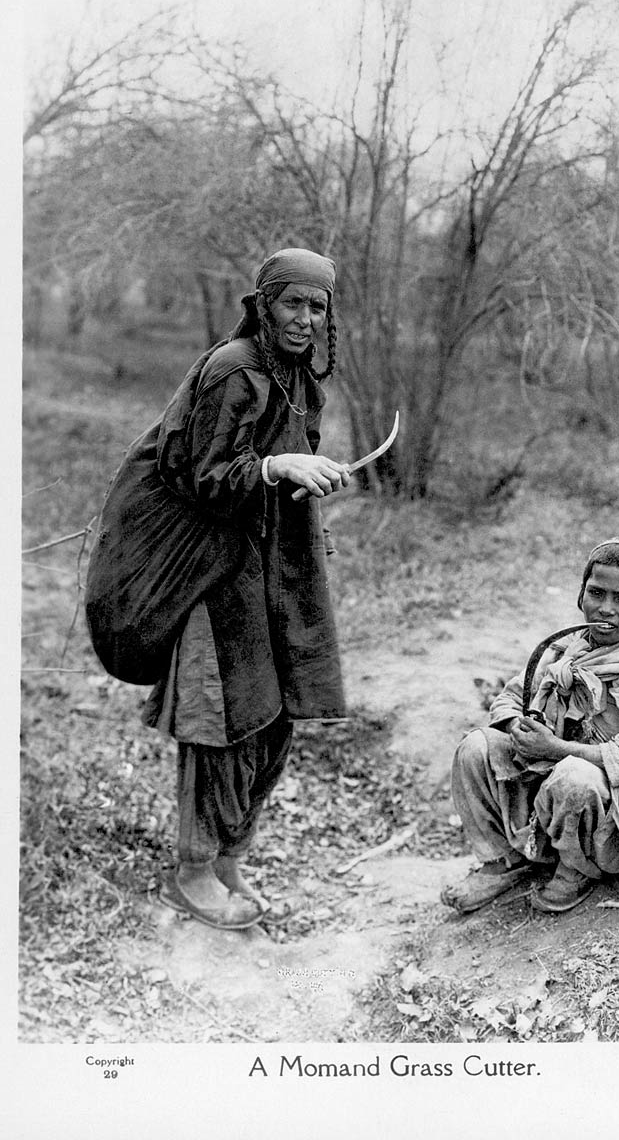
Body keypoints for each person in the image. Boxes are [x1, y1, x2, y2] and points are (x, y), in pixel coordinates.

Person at [138, 247, 352, 930]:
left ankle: (229, 855)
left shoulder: (295, 373)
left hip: (278, 568)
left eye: (317, 307)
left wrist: (303, 471)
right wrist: (272, 465)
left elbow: (277, 461)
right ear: (263, 304)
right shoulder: (233, 370)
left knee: (277, 716)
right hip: (218, 573)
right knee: (223, 720)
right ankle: (192, 870)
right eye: (292, 303)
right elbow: (199, 476)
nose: (305, 319)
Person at [441, 536, 619, 914]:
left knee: (575, 776)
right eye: (596, 593)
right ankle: (503, 863)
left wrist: (555, 749)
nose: (605, 609)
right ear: (581, 595)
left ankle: (576, 868)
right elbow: (510, 699)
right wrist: (519, 730)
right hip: (553, 775)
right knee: (476, 746)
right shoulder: (568, 647)